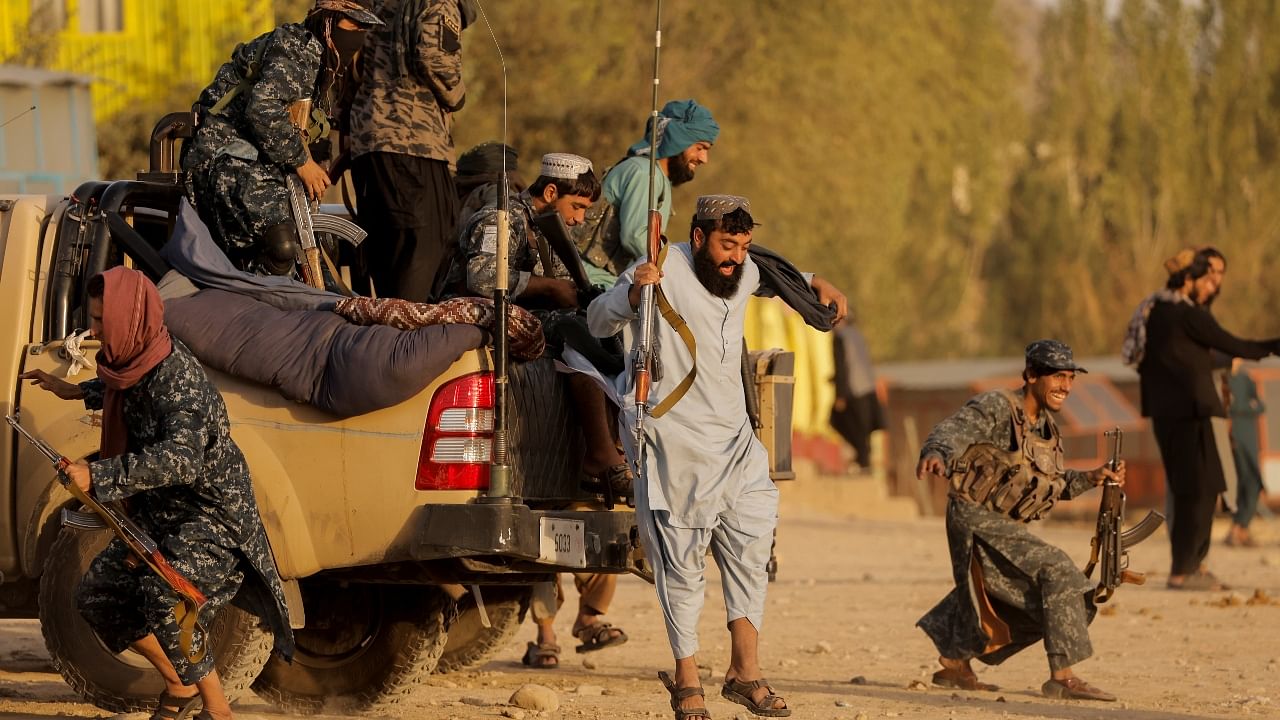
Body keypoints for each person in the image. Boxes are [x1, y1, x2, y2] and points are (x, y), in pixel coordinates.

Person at [587, 195, 847, 719]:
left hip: (736, 441)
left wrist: (818, 282)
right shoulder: (664, 267)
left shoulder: (746, 270)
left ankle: (743, 673)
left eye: (744, 246)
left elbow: (778, 274)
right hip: (673, 443)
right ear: (700, 237)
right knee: (681, 567)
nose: (737, 258)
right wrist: (631, 294)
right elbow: (597, 323)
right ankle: (687, 681)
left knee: (752, 548)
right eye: (728, 246)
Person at [18, 267, 293, 720]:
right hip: (161, 508)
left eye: (103, 321)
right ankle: (178, 684)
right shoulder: (138, 356)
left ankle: (219, 710)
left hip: (209, 514)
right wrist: (74, 391)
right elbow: (123, 387)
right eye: (94, 318)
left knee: (165, 595)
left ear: (130, 319)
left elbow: (180, 460)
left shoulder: (176, 377)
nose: (95, 330)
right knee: (98, 597)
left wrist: (98, 475)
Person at [446, 153, 631, 667]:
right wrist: (551, 288)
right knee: (583, 334)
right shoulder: (500, 217)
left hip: (525, 320)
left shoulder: (539, 226)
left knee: (603, 338)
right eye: (574, 207)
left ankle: (609, 447)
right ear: (550, 194)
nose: (577, 220)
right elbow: (485, 281)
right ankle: (604, 451)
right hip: (485, 317)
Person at [915, 340, 1125, 702]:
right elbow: (953, 429)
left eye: (1070, 378)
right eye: (1057, 377)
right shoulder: (999, 407)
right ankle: (1063, 677)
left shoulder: (1048, 431)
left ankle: (956, 661)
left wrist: (1092, 478)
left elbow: (1051, 486)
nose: (1066, 386)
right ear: (1030, 376)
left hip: (1003, 523)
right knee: (1058, 571)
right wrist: (936, 452)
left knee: (1026, 598)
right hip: (973, 513)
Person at [183, 0, 382, 275]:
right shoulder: (296, 48)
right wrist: (303, 163)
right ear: (328, 21)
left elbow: (308, 129)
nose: (358, 34)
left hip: (263, 161)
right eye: (353, 24)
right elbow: (263, 109)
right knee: (281, 245)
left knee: (318, 250)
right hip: (224, 157)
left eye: (365, 27)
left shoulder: (326, 67)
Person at [1137, 248, 1280, 590]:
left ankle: (1192, 567)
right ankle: (1183, 571)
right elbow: (1234, 344)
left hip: (1183, 412)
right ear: (1189, 279)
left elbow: (1198, 352)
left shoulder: (1160, 311)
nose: (1214, 286)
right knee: (1194, 492)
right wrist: (1274, 345)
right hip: (1185, 413)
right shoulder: (1183, 314)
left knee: (1206, 488)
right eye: (1209, 278)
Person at [348, 0, 473, 302]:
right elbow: (434, 57)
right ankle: (404, 340)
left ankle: (385, 336)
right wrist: (457, 97)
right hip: (413, 144)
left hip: (368, 144)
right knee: (422, 248)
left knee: (387, 257)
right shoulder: (438, 3)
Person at [577, 99, 719, 289]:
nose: (704, 159)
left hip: (610, 283)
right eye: (699, 148)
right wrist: (680, 272)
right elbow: (635, 236)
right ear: (677, 141)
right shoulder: (645, 173)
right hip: (592, 282)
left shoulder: (656, 176)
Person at [829, 317, 886, 471]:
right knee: (863, 428)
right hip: (867, 387)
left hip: (853, 390)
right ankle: (864, 459)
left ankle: (863, 457)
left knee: (837, 420)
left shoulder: (840, 337)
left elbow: (842, 367)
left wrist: (840, 395)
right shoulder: (857, 334)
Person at [1226, 358, 1266, 547]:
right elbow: (1227, 409)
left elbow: (1260, 405)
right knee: (1240, 483)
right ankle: (1238, 530)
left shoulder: (1245, 378)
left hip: (1250, 439)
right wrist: (1244, 408)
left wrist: (1239, 408)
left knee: (1254, 482)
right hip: (1233, 439)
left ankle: (1241, 528)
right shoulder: (1224, 379)